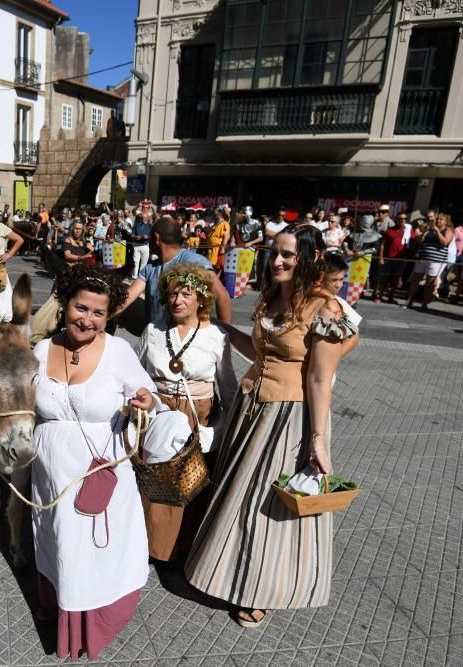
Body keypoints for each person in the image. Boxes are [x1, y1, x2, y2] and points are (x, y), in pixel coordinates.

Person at [0, 264, 156, 661]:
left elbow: (149, 395)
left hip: (99, 469)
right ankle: (60, 611)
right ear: (65, 306)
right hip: (52, 471)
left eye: (99, 313)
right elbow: (16, 403)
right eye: (80, 308)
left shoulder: (118, 351)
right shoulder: (39, 351)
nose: (87, 319)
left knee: (97, 548)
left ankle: (97, 622)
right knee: (60, 545)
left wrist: (145, 402)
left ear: (108, 316)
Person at [185, 224, 354, 629]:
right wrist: (223, 331)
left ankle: (263, 589)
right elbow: (261, 351)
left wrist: (317, 439)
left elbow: (318, 377)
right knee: (239, 499)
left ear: (309, 258)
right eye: (274, 252)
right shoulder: (271, 297)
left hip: (290, 417)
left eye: (288, 255)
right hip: (253, 409)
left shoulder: (324, 308)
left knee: (271, 505)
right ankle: (229, 571)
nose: (276, 260)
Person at [136, 264, 237, 562]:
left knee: (188, 486)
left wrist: (229, 424)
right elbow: (136, 372)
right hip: (158, 412)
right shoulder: (154, 330)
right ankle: (148, 546)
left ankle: (181, 551)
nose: (177, 300)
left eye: (186, 294)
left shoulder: (216, 335)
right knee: (153, 481)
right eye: (172, 294)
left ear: (201, 298)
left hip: (198, 416)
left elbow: (227, 384)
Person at [118, 216, 231, 327]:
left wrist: (227, 337)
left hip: (187, 340)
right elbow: (128, 298)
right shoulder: (151, 267)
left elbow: (222, 296)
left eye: (150, 238)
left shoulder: (194, 261)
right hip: (157, 339)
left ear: (156, 238)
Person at [404, 212, 454, 310]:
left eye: (441, 219)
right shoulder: (429, 229)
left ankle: (424, 303)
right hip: (423, 258)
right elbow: (420, 241)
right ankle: (409, 300)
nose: (438, 221)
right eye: (437, 219)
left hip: (436, 261)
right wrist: (422, 234)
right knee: (415, 280)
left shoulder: (447, 230)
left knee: (430, 282)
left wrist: (437, 232)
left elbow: (445, 243)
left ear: (446, 222)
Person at [376, 211, 414, 304]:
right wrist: (381, 258)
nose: (402, 220)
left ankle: (390, 297)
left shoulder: (410, 231)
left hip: (401, 259)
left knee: (395, 279)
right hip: (388, 259)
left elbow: (413, 244)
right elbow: (382, 245)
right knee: (383, 278)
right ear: (396, 219)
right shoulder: (390, 230)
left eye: (405, 218)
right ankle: (379, 296)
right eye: (400, 218)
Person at [130, 213, 153, 280]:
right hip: (136, 246)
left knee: (144, 263)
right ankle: (134, 276)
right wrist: (135, 236)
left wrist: (148, 236)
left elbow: (152, 236)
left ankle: (141, 277)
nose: (144, 220)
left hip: (145, 246)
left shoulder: (149, 226)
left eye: (145, 218)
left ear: (147, 218)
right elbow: (132, 235)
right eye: (143, 218)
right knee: (136, 262)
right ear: (140, 218)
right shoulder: (136, 225)